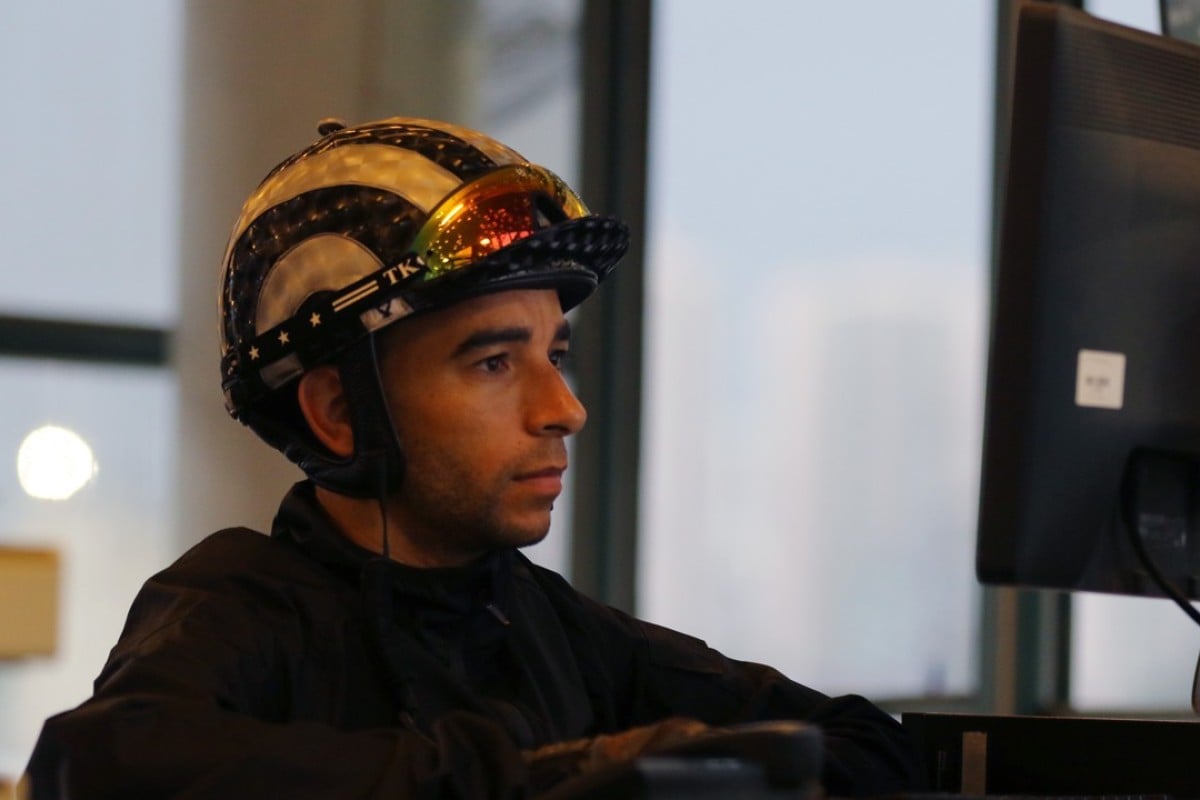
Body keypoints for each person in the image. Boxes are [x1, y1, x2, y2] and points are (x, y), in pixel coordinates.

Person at [23, 117, 924, 798]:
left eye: (555, 356)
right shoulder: (246, 601)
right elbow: (96, 760)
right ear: (340, 412)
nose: (563, 410)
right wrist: (534, 778)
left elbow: (862, 745)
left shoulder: (549, 624)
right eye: (495, 362)